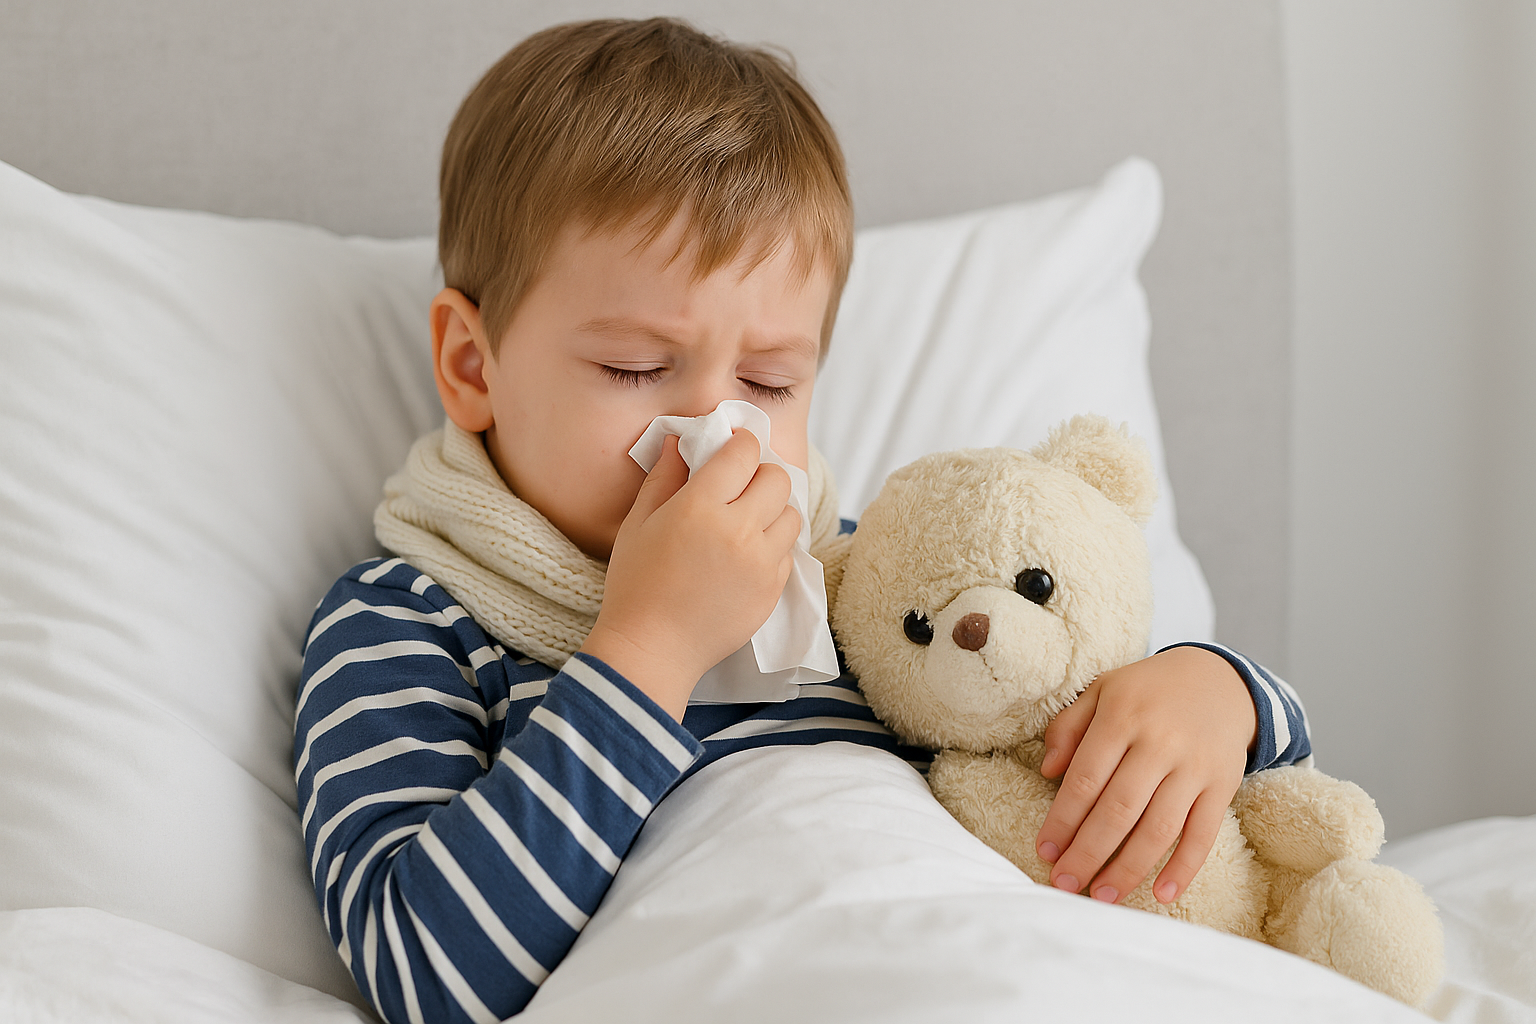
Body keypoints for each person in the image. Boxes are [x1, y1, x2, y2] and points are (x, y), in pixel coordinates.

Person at [294, 17, 1310, 1023]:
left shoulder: (869, 589)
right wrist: (650, 645)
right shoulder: (410, 620)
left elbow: (1086, 722)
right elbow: (422, 975)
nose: (713, 426)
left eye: (769, 381)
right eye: (636, 368)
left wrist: (1219, 695)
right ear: (473, 367)